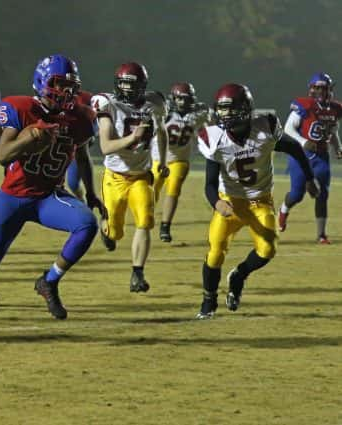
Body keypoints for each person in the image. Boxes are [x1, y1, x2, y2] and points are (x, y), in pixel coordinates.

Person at [0, 55, 102, 344]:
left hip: (48, 196)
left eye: (70, 86)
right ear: (42, 82)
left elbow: (82, 155)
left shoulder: (80, 118)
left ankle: (49, 281)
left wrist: (91, 192)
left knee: (86, 225)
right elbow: (4, 155)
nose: (64, 92)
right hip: (13, 198)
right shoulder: (20, 108)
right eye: (58, 84)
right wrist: (30, 137)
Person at [196, 83, 319, 319]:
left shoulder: (265, 127)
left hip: (259, 201)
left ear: (245, 109)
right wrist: (216, 203)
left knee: (268, 248)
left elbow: (294, 148)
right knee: (215, 253)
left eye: (230, 109)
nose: (225, 115)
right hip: (230, 201)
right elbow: (210, 183)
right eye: (222, 109)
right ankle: (208, 300)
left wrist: (309, 178)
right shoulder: (215, 138)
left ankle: (239, 275)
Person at [92, 62, 168, 292]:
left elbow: (162, 131)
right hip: (114, 177)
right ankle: (106, 229)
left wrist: (162, 161)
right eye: (123, 83)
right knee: (115, 231)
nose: (126, 88)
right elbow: (105, 147)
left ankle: (137, 273)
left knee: (145, 221)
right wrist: (133, 138)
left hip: (141, 176)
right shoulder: (108, 104)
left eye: (131, 84)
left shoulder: (154, 103)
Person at [278, 73, 342, 244]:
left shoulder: (335, 109)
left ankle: (321, 235)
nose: (320, 91)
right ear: (311, 89)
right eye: (317, 87)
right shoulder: (305, 106)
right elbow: (288, 128)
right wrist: (303, 141)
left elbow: (333, 131)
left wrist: (338, 148)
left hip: (321, 156)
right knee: (297, 194)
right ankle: (283, 210)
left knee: (322, 194)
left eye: (324, 87)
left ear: (329, 89)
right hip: (301, 155)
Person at [151, 82, 212, 242]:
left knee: (174, 187)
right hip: (158, 158)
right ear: (173, 99)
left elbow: (207, 129)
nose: (183, 102)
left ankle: (165, 226)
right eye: (179, 99)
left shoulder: (198, 114)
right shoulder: (164, 113)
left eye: (186, 99)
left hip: (180, 159)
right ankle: (146, 216)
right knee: (153, 188)